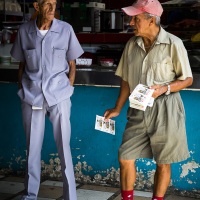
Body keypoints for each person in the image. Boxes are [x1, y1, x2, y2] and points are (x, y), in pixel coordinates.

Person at [104, 0, 193, 200]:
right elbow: (126, 79)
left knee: (163, 161)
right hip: (138, 108)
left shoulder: (173, 43)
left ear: (151, 20)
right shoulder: (131, 44)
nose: (130, 23)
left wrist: (164, 88)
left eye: (136, 19)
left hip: (166, 109)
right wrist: (118, 107)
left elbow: (187, 79)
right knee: (125, 156)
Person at [10, 0, 83, 199]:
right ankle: (30, 194)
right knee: (32, 148)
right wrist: (23, 89)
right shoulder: (24, 31)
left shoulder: (66, 29)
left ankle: (71, 196)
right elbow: (22, 65)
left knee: (64, 147)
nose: (53, 9)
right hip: (32, 95)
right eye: (48, 4)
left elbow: (72, 63)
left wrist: (69, 87)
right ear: (37, 5)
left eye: (55, 4)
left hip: (59, 95)